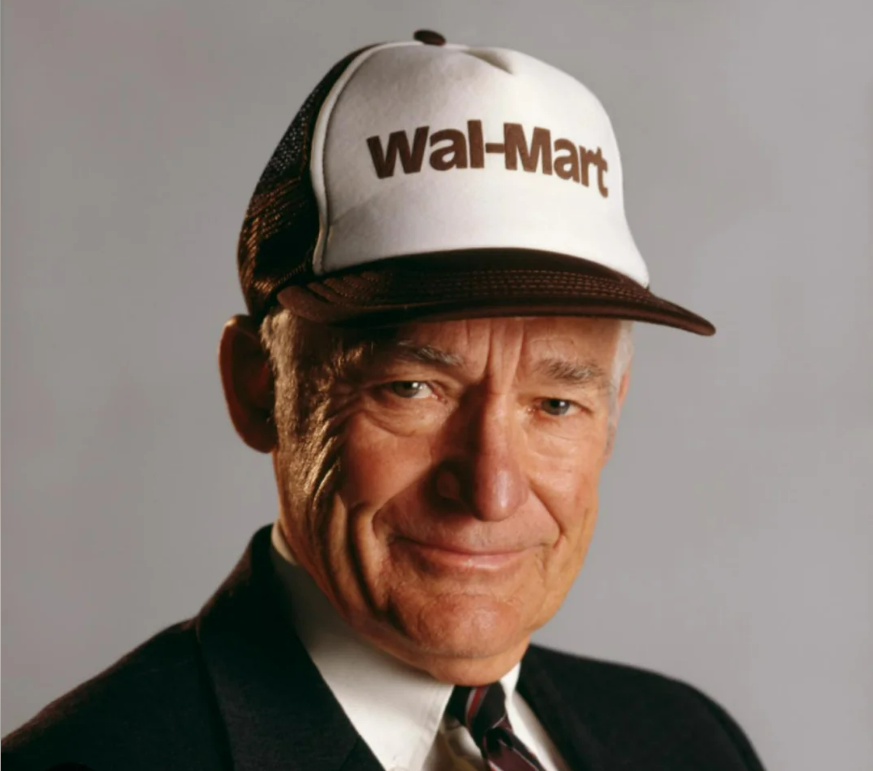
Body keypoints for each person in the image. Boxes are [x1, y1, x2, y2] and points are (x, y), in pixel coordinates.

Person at [2, 30, 767, 771]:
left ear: (616, 406)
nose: (491, 491)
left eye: (555, 404)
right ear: (258, 387)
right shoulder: (97, 758)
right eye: (411, 388)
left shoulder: (685, 740)